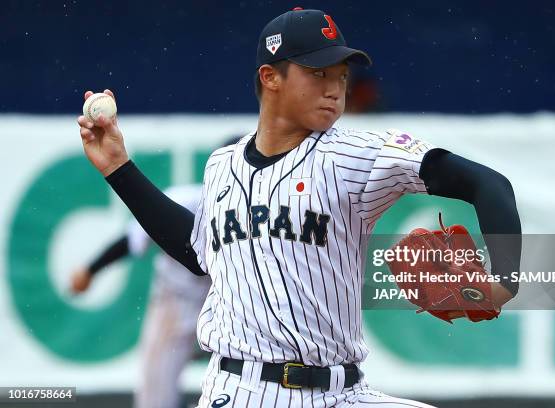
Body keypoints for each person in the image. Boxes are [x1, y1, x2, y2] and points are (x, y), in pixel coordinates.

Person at [77, 8, 521, 407]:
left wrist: (504, 282)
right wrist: (118, 167)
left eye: (342, 76)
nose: (335, 89)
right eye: (319, 73)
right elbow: (198, 252)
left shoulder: (357, 155)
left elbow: (489, 184)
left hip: (345, 392)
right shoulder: (221, 166)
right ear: (271, 77)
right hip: (243, 392)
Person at [70, 185, 211, 408]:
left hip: (223, 305)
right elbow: (132, 239)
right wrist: (91, 269)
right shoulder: (185, 200)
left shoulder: (254, 208)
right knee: (155, 396)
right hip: (175, 303)